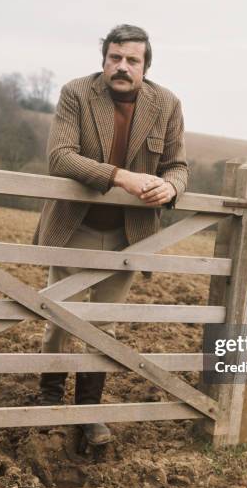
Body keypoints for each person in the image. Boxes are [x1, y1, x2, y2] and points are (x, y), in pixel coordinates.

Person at [32, 24, 189, 446]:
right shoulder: (76, 94)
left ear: (145, 66)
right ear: (104, 59)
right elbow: (60, 158)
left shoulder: (167, 103)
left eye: (132, 60)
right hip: (75, 225)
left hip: (129, 234)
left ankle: (89, 412)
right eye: (115, 57)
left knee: (105, 326)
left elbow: (178, 165)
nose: (122, 66)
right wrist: (121, 177)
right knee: (58, 319)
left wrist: (172, 187)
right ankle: (48, 399)